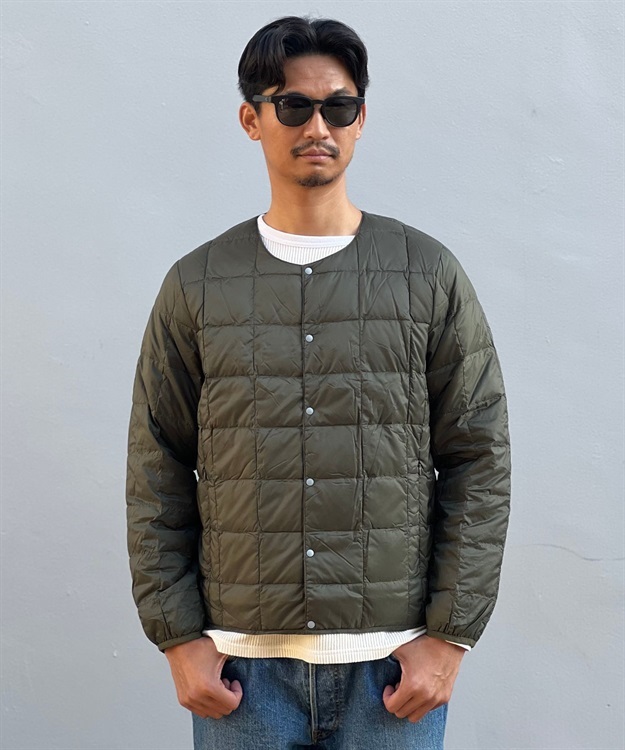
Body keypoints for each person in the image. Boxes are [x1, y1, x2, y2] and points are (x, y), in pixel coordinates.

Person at [126, 15, 511, 750]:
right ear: (252, 119)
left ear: (360, 119)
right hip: (241, 675)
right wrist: (177, 636)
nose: (317, 126)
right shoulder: (197, 284)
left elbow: (478, 457)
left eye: (338, 106)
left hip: (393, 670)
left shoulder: (426, 273)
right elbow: (157, 463)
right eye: (292, 105)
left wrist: (449, 638)